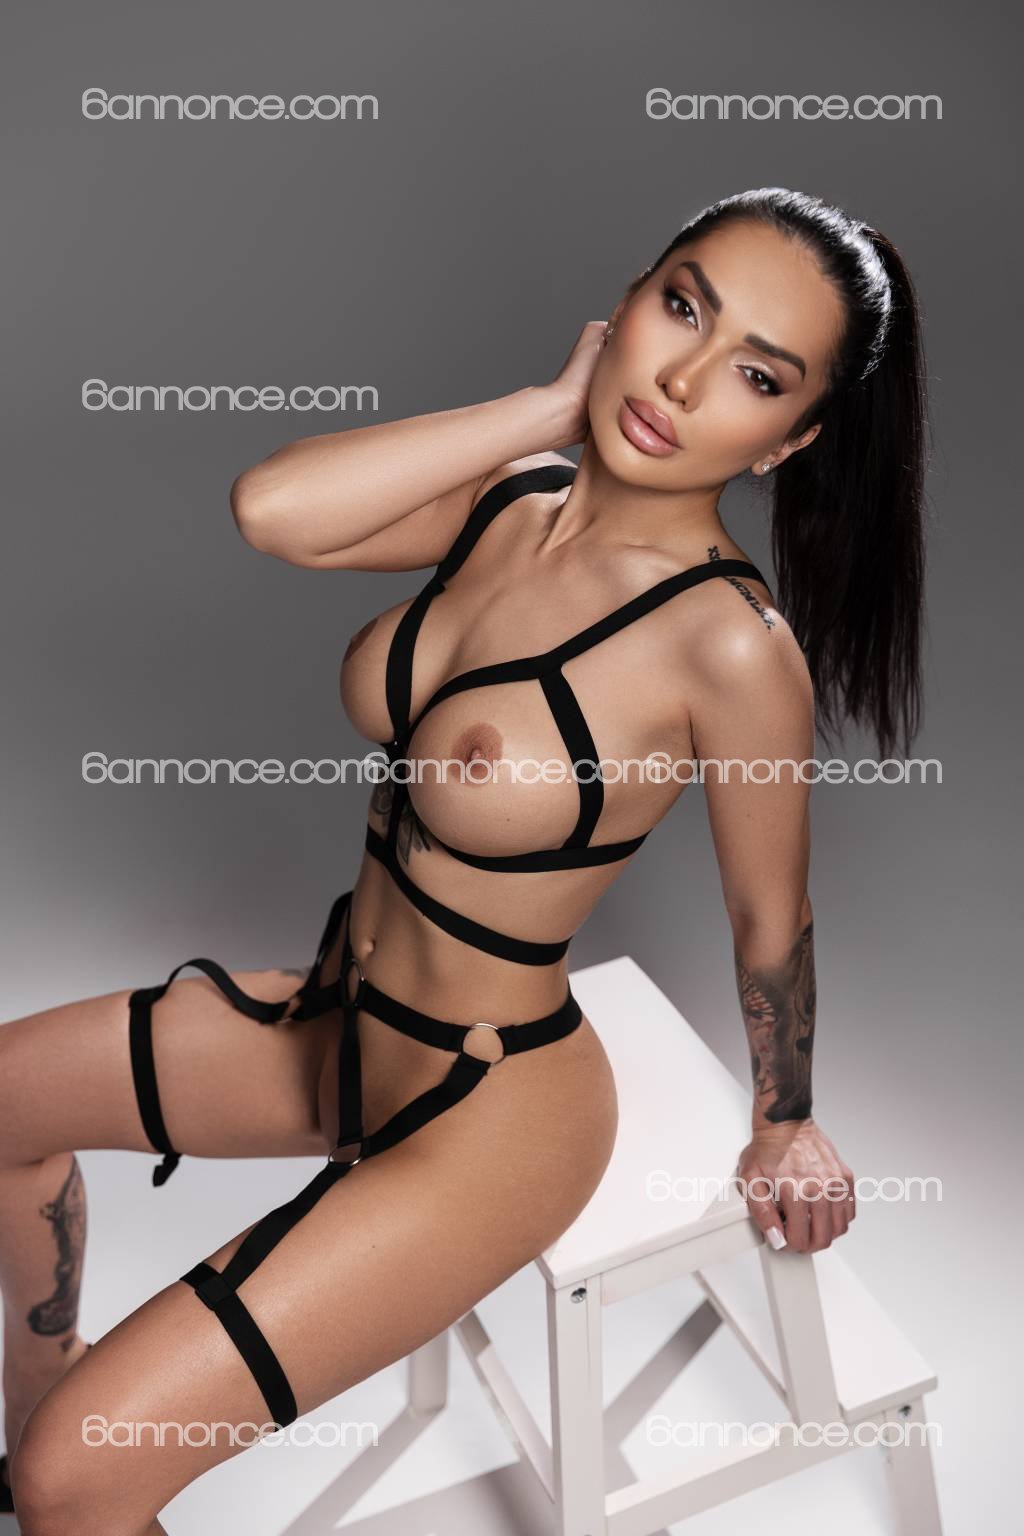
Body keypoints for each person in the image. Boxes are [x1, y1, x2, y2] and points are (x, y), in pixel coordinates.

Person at [0, 187, 928, 1533]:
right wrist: (545, 411)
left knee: (75, 1478)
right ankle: (41, 1401)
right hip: (341, 1024)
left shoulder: (729, 646)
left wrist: (783, 1121)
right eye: (683, 306)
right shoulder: (510, 503)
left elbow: (769, 917)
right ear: (630, 298)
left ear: (790, 440)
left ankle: (63, 1474)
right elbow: (274, 509)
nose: (680, 378)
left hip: (485, 1110)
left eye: (756, 375)